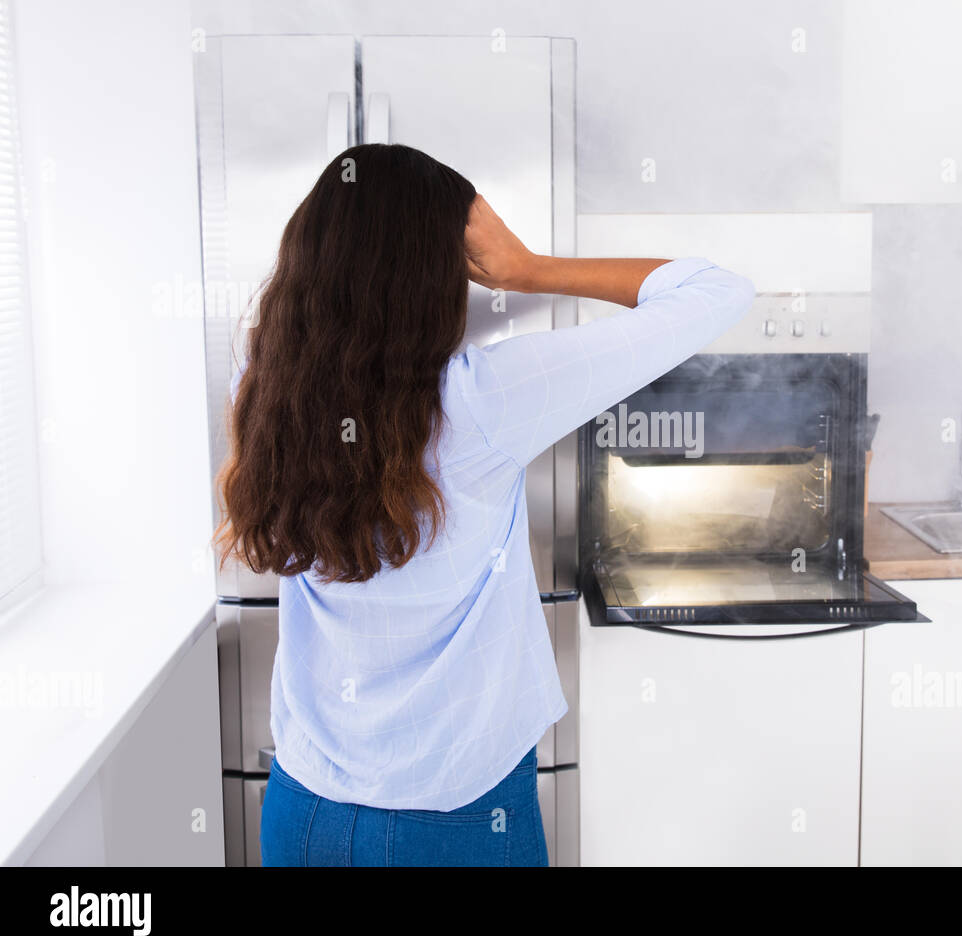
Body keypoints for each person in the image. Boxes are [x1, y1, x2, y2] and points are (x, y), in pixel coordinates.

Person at [216, 143, 754, 866]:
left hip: (302, 809)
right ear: (437, 272)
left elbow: (353, 341)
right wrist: (530, 268)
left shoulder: (260, 377)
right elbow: (715, 291)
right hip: (458, 821)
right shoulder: (485, 400)